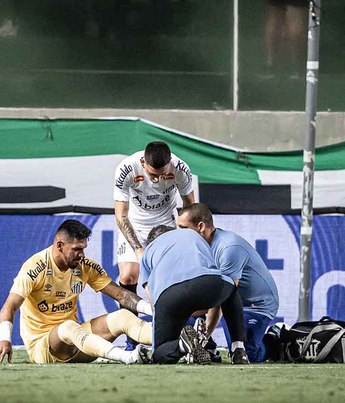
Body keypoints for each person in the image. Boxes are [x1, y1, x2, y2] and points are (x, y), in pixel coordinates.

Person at [0, 220, 153, 365]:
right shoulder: (34, 267)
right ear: (59, 245)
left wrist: (153, 309)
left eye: (83, 249)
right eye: (76, 249)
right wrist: (4, 339)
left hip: (78, 342)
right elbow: (9, 307)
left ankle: (175, 341)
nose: (81, 255)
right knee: (68, 327)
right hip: (44, 348)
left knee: (123, 316)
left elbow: (121, 295)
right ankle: (128, 357)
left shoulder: (85, 265)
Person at [113, 141, 195, 349]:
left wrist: (186, 237)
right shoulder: (126, 168)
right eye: (152, 175)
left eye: (162, 174)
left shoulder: (181, 169)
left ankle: (182, 334)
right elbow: (121, 215)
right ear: (143, 162)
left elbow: (190, 207)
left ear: (170, 163)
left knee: (173, 277)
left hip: (166, 223)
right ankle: (131, 338)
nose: (158, 179)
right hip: (134, 225)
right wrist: (138, 249)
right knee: (128, 276)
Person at [177, 203, 280, 363]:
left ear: (200, 227)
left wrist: (202, 337)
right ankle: (209, 349)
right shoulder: (196, 247)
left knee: (249, 354)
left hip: (257, 306)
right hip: (229, 302)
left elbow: (223, 298)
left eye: (183, 228)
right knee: (183, 309)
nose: (178, 233)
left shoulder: (228, 248)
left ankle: (277, 338)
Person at [139, 226, 249, 364]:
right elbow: (211, 267)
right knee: (232, 289)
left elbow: (152, 298)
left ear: (151, 242)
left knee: (160, 353)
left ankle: (181, 345)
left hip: (169, 294)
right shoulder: (191, 234)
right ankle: (238, 347)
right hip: (207, 282)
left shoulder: (148, 252)